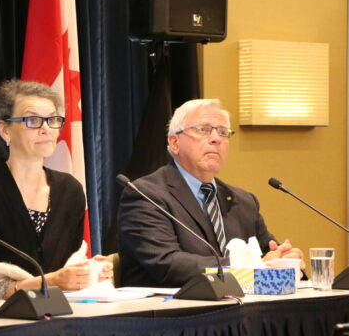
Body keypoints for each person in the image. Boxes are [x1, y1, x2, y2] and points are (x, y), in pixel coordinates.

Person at [0, 79, 112, 301]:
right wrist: (49, 283)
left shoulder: (71, 191)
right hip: (1, 319)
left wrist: (88, 273)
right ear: (5, 130)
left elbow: (68, 272)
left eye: (53, 120)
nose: (46, 129)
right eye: (33, 120)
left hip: (63, 315)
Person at [118, 98, 304, 287]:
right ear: (174, 142)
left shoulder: (243, 202)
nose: (216, 139)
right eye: (203, 129)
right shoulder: (146, 195)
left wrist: (286, 261)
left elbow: (269, 255)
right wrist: (249, 265)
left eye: (223, 132)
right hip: (173, 304)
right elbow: (167, 264)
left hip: (241, 304)